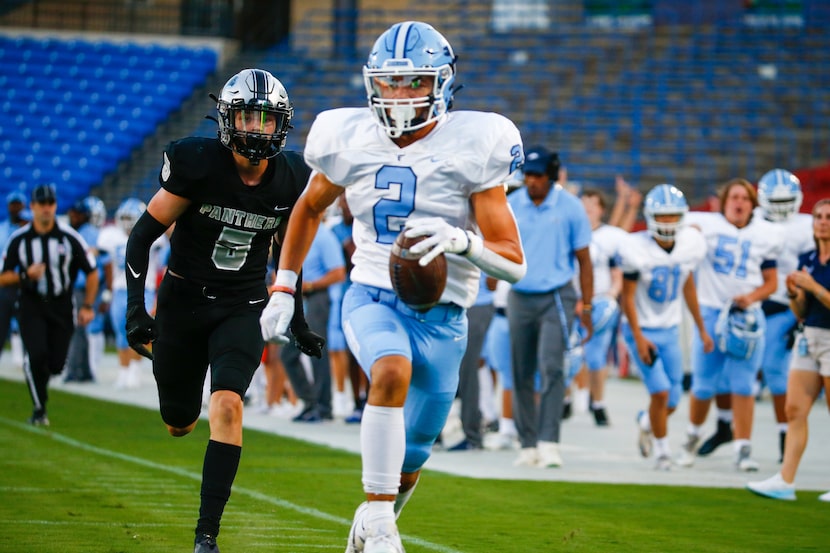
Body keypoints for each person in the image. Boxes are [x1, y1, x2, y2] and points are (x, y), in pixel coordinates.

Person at [258, 21, 526, 553]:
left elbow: (515, 265)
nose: (400, 95)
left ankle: (376, 514)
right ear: (371, 84)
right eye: (390, 82)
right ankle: (380, 521)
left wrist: (463, 243)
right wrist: (284, 286)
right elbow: (307, 208)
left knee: (412, 458)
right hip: (373, 294)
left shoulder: (475, 143)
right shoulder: (349, 136)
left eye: (413, 83)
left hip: (446, 314)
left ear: (443, 84)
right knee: (390, 369)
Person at [123, 68, 324, 553]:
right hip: (184, 302)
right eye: (247, 117)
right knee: (180, 421)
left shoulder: (293, 176)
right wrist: (137, 309)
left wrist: (294, 316)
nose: (256, 129)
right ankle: (175, 362)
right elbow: (141, 236)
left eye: (266, 119)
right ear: (226, 118)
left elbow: (286, 252)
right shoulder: (196, 161)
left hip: (243, 304)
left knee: (228, 403)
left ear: (283, 124)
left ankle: (206, 535)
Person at [678, 179, 781, 471]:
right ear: (723, 202)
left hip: (747, 317)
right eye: (734, 197)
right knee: (703, 385)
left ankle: (743, 448)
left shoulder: (765, 234)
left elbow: (772, 282)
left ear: (753, 204)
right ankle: (691, 438)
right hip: (712, 313)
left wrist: (751, 297)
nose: (739, 203)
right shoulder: (706, 226)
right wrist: (700, 325)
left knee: (744, 385)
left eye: (745, 199)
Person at [507, 145, 593, 468]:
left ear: (551, 176)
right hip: (519, 295)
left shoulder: (570, 207)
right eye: (527, 175)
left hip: (557, 295)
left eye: (537, 175)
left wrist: (587, 308)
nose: (531, 181)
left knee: (552, 367)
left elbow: (584, 261)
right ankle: (527, 443)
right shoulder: (513, 204)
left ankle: (549, 441)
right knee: (520, 370)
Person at [619, 184, 712, 470]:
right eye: (663, 215)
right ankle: (662, 452)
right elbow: (628, 297)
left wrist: (701, 328)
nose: (668, 222)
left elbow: (688, 287)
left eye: (673, 216)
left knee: (671, 399)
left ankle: (647, 421)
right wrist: (638, 337)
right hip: (642, 329)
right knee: (659, 392)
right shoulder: (636, 247)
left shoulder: (690, 245)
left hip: (670, 329)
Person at [747, 198, 830, 500]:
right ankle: (786, 479)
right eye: (818, 216)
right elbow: (801, 310)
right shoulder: (807, 258)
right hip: (810, 336)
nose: (822, 221)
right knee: (794, 409)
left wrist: (814, 287)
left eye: (828, 217)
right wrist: (795, 293)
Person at [0, 183, 99, 425]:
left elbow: (92, 271)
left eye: (50, 204)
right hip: (31, 304)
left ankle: (39, 390)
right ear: (32, 207)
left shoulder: (69, 237)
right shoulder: (19, 240)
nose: (46, 209)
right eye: (41, 204)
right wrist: (25, 276)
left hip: (62, 305)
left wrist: (87, 305)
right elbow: (4, 277)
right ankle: (38, 408)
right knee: (36, 355)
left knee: (55, 364)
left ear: (55, 206)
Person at [279, 222, 345, 422]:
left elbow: (338, 272)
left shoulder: (324, 236)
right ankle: (309, 402)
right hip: (297, 297)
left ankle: (324, 406)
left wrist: (311, 285)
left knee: (317, 351)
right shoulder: (298, 232)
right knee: (287, 353)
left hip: (316, 296)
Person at [99, 197, 166, 390]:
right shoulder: (112, 236)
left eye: (131, 217)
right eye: (125, 217)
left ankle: (135, 368)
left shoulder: (153, 237)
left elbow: (162, 262)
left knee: (139, 328)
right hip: (120, 289)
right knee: (120, 329)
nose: (128, 221)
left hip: (144, 288)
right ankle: (124, 370)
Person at [575, 188, 627, 426]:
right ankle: (567, 400)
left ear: (601, 210)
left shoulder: (611, 237)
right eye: (583, 205)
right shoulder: (571, 232)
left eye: (591, 206)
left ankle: (598, 403)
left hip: (599, 303)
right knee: (570, 354)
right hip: (573, 302)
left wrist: (612, 294)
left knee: (597, 358)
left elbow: (618, 272)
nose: (586, 211)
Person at [448, 272, 496, 450]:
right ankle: (434, 433)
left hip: (476, 304)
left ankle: (473, 436)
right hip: (454, 303)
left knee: (467, 370)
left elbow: (493, 281)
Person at [63, 198, 101, 383]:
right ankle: (85, 371)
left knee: (75, 328)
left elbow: (102, 261)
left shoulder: (91, 234)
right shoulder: (70, 233)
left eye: (77, 214)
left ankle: (73, 370)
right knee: (80, 329)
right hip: (71, 286)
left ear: (84, 216)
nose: (73, 216)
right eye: (72, 213)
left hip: (85, 287)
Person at [0, 191, 29, 361]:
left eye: (19, 204)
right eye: (13, 204)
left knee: (26, 324)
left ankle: (25, 359)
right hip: (5, 283)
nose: (16, 208)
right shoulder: (3, 230)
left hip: (25, 283)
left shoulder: (29, 233)